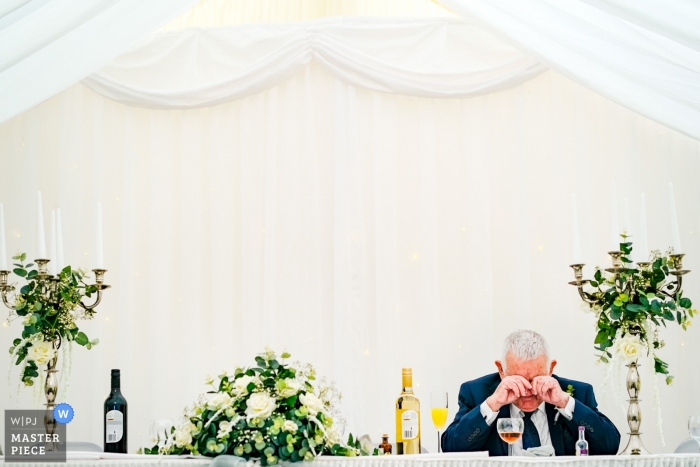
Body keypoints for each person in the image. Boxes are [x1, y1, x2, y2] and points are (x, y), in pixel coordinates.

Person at [442, 330, 620, 456]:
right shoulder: (476, 393)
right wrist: (492, 405)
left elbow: (610, 446)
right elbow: (451, 449)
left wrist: (565, 403)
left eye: (536, 379)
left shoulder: (578, 393)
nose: (527, 390)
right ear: (501, 370)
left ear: (550, 369)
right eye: (517, 380)